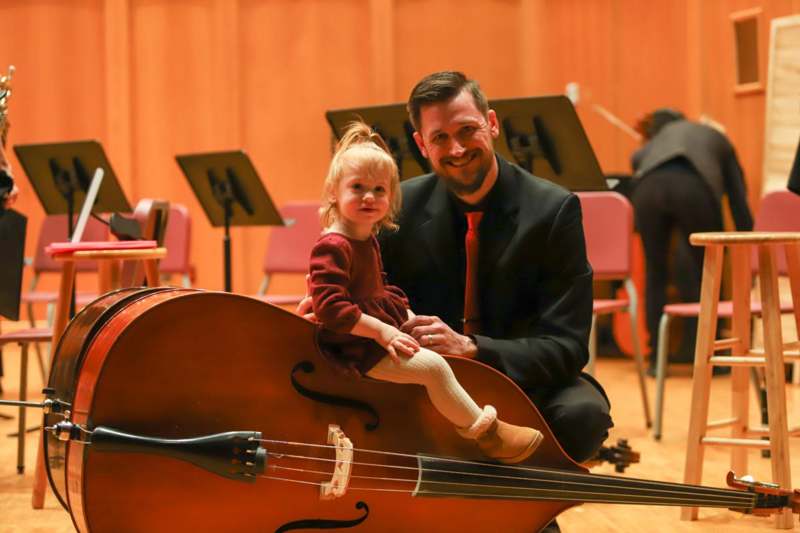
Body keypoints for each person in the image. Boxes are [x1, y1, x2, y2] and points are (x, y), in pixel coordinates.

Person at [376, 71, 612, 468]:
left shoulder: (553, 210)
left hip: (519, 378)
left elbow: (568, 348)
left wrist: (473, 348)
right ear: (421, 144)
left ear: (492, 123)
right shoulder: (397, 209)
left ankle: (526, 517)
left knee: (581, 416)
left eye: (467, 130)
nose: (456, 148)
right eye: (440, 138)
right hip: (426, 379)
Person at [308, 120, 543, 464]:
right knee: (433, 368)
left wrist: (405, 316)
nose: (369, 197)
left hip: (370, 331)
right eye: (357, 187)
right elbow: (331, 308)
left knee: (430, 338)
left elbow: (376, 288)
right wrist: (384, 330)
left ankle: (444, 434)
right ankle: (487, 434)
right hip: (352, 345)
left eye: (379, 189)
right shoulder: (333, 244)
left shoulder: (366, 237)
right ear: (333, 192)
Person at [631, 109, 754, 372]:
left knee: (656, 273)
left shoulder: (656, 141)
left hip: (647, 188)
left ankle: (656, 359)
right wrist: (751, 252)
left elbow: (636, 159)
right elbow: (737, 200)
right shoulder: (716, 137)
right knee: (711, 268)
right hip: (693, 186)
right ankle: (715, 355)